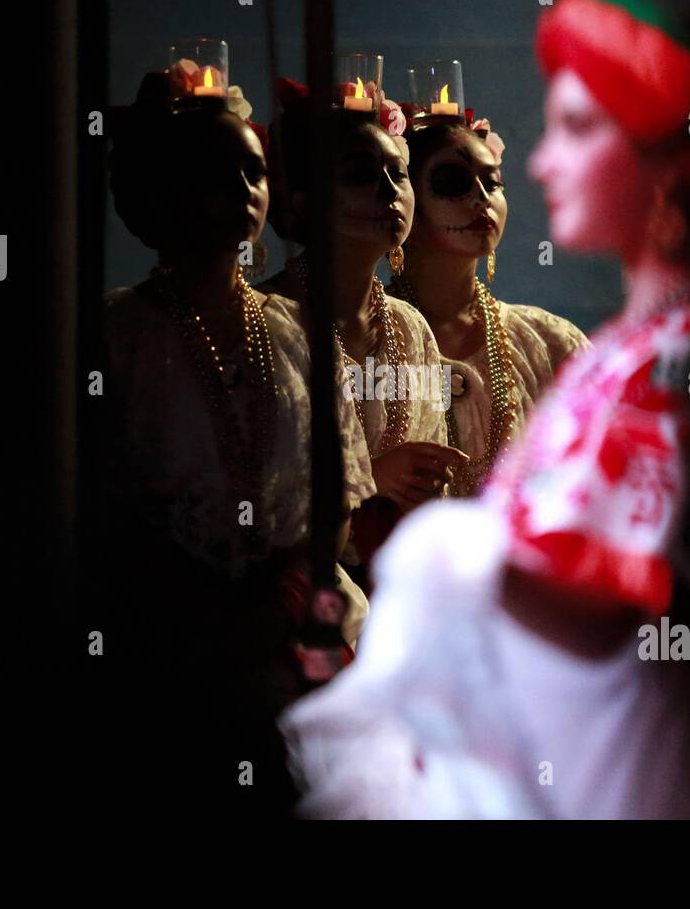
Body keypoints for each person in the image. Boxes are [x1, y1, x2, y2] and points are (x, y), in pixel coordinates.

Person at [280, 0, 690, 819]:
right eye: (455, 181)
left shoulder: (666, 360)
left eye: (575, 129)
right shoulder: (623, 353)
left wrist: (447, 563)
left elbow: (629, 601)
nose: (531, 169)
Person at [96, 71, 375, 815]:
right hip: (169, 627)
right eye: (216, 173)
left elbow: (337, 481)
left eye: (254, 171)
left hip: (291, 619)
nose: (244, 189)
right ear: (158, 194)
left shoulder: (294, 328)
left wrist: (284, 592)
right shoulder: (119, 336)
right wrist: (207, 611)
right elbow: (103, 498)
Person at [259, 79, 467, 581]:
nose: (388, 191)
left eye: (398, 174)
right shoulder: (270, 320)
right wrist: (371, 481)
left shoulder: (409, 327)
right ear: (306, 204)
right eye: (359, 175)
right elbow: (257, 495)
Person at [388, 112, 589, 495]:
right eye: (452, 183)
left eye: (492, 182)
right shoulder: (370, 340)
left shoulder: (550, 344)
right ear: (406, 197)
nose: (481, 197)